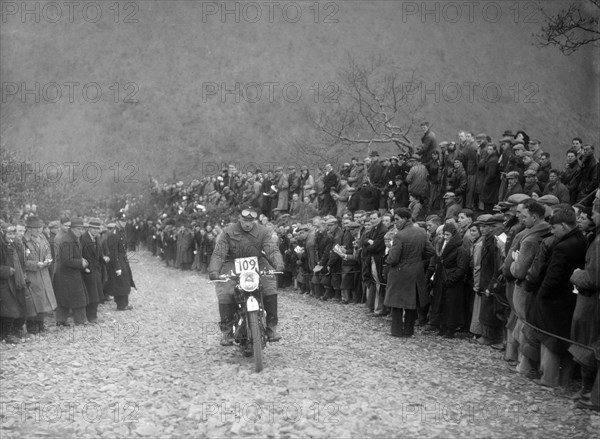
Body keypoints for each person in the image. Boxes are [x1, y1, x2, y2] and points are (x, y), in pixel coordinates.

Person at [209, 208, 284, 346]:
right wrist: (214, 271)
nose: (248, 224)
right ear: (239, 219)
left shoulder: (263, 231)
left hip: (257, 261)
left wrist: (278, 264)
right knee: (225, 291)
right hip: (233, 262)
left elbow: (271, 249)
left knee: (269, 286)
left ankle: (271, 328)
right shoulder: (228, 232)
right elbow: (219, 253)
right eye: (245, 221)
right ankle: (227, 331)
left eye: (250, 221)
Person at [384, 208, 435, 337]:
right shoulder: (422, 232)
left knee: (396, 303)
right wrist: (417, 260)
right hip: (416, 271)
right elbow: (431, 251)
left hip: (400, 272)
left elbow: (394, 258)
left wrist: (387, 258)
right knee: (411, 302)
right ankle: (408, 331)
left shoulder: (399, 235)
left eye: (397, 219)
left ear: (406, 219)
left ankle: (396, 331)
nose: (395, 222)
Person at [52, 217, 89, 326]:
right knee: (77, 297)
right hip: (66, 274)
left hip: (69, 273)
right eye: (78, 229)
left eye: (82, 229)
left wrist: (80, 259)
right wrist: (80, 263)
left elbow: (71, 256)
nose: (81, 231)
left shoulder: (73, 238)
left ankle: (61, 320)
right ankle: (80, 321)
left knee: (66, 298)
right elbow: (66, 260)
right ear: (72, 229)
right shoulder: (68, 240)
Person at [106, 216, 137, 311]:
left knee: (125, 280)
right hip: (118, 259)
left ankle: (124, 303)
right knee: (120, 281)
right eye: (122, 221)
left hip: (123, 258)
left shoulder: (122, 231)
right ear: (117, 221)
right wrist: (117, 266)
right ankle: (121, 304)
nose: (124, 223)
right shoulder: (114, 234)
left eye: (125, 221)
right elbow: (113, 252)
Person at [80, 218, 108, 324]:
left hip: (96, 269)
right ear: (89, 228)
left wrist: (103, 258)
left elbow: (99, 254)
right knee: (91, 294)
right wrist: (84, 268)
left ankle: (93, 315)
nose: (96, 231)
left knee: (96, 293)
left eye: (98, 229)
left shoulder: (97, 239)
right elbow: (79, 254)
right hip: (87, 270)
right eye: (94, 228)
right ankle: (90, 316)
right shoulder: (83, 239)